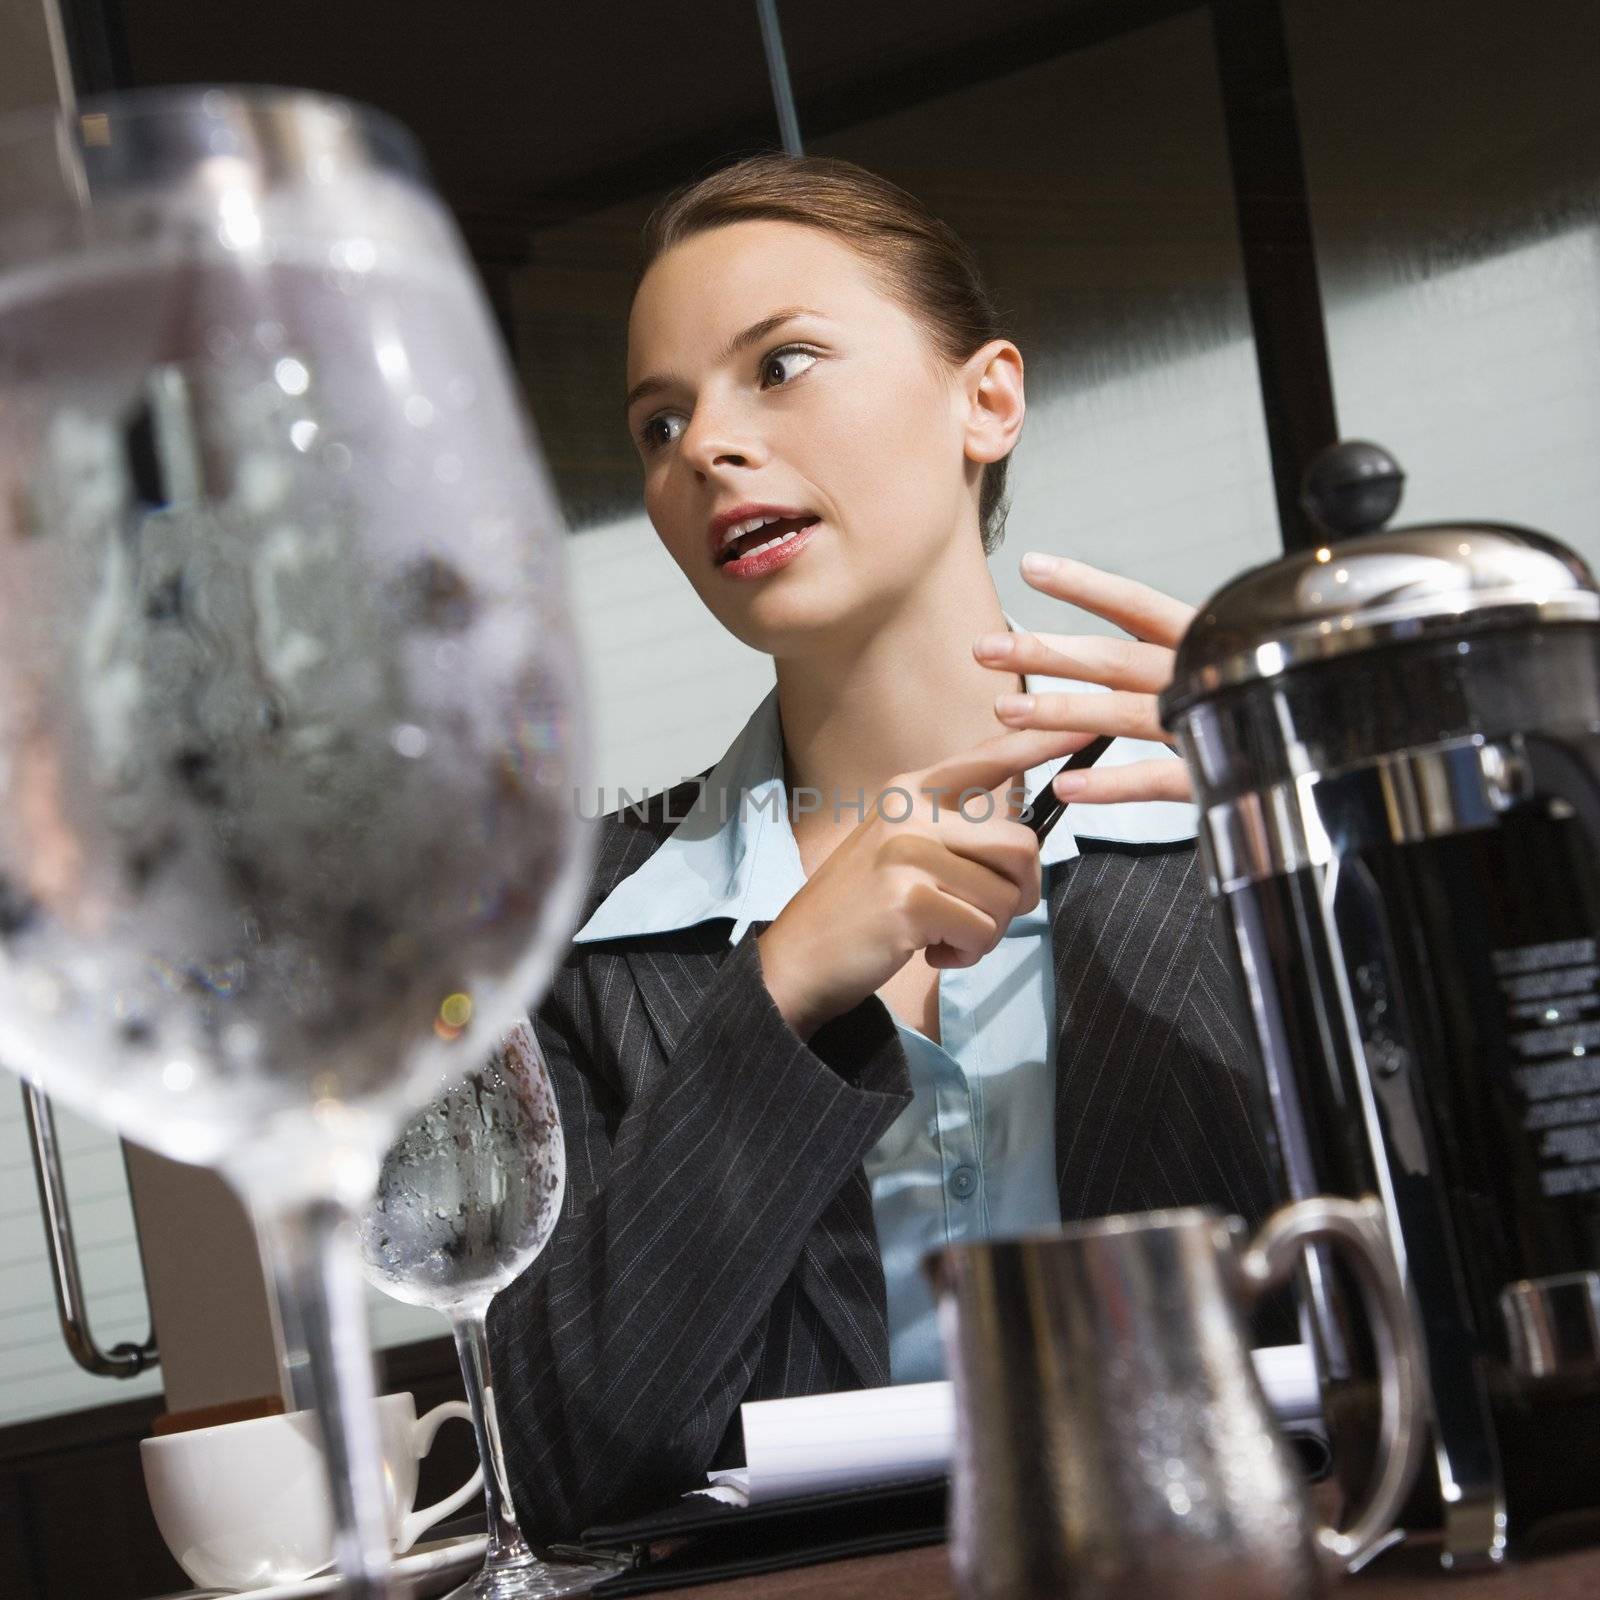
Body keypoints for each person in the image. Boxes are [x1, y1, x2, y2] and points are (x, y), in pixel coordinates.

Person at [485, 152, 1283, 1539]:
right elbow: (554, 1461)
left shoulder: (1244, 815)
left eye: (780, 364)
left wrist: (1313, 818)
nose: (707, 450)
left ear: (988, 398)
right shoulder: (571, 930)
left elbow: (1494, 1253)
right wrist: (780, 994)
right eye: (658, 423)